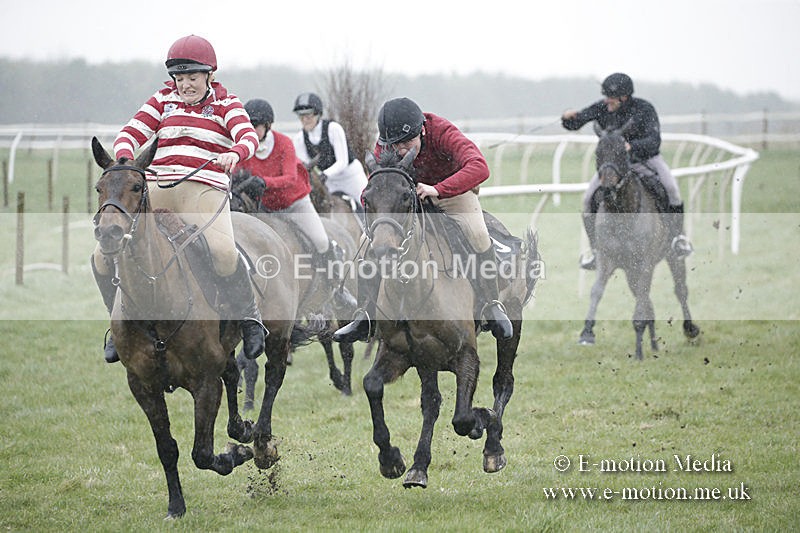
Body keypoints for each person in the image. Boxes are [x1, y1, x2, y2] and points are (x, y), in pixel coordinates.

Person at [92, 34, 266, 363]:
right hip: (157, 188)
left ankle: (250, 318)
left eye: (193, 78)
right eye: (180, 78)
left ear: (209, 76)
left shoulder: (226, 102)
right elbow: (131, 132)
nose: (185, 85)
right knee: (102, 256)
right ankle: (118, 326)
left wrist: (235, 152)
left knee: (224, 252)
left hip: (204, 189)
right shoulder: (162, 99)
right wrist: (126, 159)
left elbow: (245, 135)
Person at [333, 97, 513, 343]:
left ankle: (491, 304)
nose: (401, 150)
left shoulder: (442, 131)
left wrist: (438, 189)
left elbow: (480, 167)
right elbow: (375, 184)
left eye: (407, 142)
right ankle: (366, 315)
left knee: (477, 233)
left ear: (423, 131)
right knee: (367, 241)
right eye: (395, 145)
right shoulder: (386, 144)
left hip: (451, 193)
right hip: (410, 202)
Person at [562, 72, 693, 270]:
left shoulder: (645, 109)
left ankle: (678, 239)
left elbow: (654, 141)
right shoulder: (603, 107)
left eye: (611, 97)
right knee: (588, 199)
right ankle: (595, 252)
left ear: (624, 97)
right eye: (606, 96)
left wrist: (632, 147)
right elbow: (577, 121)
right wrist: (567, 117)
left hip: (646, 161)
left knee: (672, 189)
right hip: (614, 168)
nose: (607, 101)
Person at [238, 98, 355, 308]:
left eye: (255, 126)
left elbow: (290, 178)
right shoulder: (244, 149)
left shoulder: (284, 143)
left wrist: (263, 182)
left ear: (267, 126)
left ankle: (338, 289)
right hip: (266, 209)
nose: (251, 131)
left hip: (296, 204)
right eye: (248, 127)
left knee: (320, 241)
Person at [291, 92, 367, 204]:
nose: (304, 120)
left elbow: (342, 161)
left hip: (351, 177)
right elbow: (306, 167)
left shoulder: (333, 129)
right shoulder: (299, 139)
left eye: (308, 115)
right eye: (301, 116)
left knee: (366, 207)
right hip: (330, 182)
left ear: (318, 114)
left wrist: (325, 174)